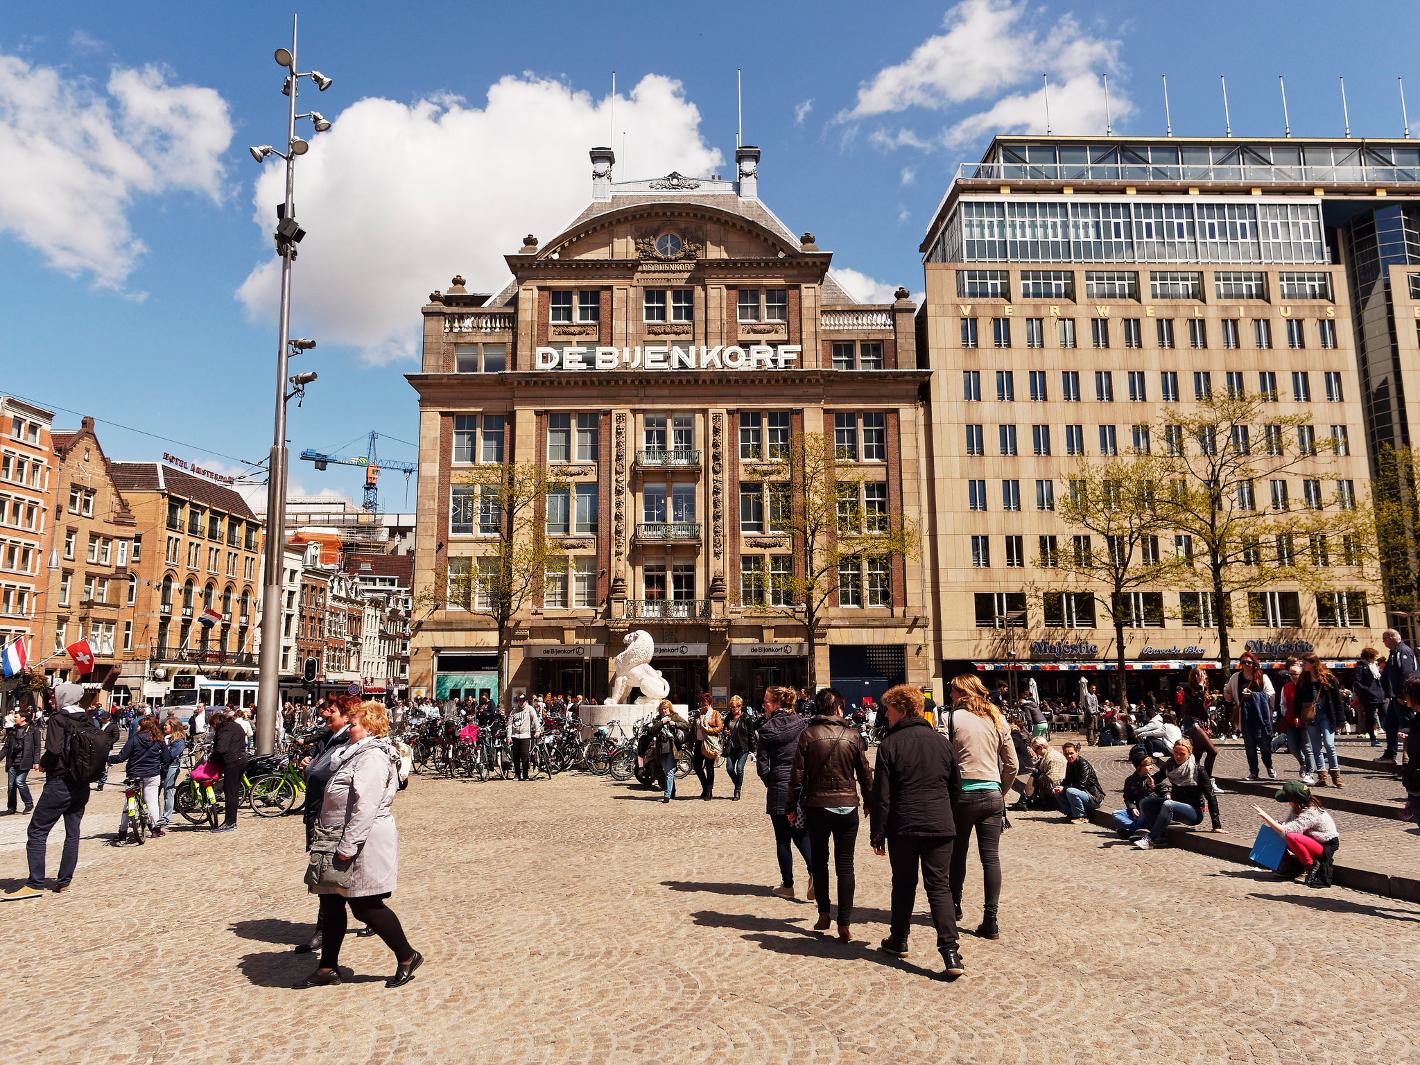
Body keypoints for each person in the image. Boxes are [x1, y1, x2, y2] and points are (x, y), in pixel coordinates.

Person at [297, 700, 424, 988]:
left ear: (368, 727)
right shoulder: (352, 754)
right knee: (330, 902)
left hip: (360, 838)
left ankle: (406, 955)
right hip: (336, 834)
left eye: (353, 724)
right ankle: (327, 967)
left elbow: (365, 806)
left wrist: (348, 846)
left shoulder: (372, 758)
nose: (349, 728)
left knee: (365, 904)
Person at [869, 684, 964, 980]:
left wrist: (878, 834)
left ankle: (899, 939)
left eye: (888, 708)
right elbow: (955, 787)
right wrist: (947, 818)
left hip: (905, 825)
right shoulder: (942, 743)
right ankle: (950, 950)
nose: (886, 713)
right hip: (939, 824)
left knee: (904, 884)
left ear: (900, 709)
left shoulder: (889, 745)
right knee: (939, 887)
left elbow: (881, 796)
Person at [4, 666, 121, 901]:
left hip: (60, 782)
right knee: (72, 833)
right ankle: (64, 880)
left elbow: (54, 749)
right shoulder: (87, 719)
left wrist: (43, 763)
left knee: (37, 830)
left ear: (61, 698)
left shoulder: (59, 719)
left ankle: (35, 882)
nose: (52, 699)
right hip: (81, 784)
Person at [786, 687, 872, 942]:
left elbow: (796, 776)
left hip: (817, 807)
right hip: (847, 806)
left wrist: (791, 807)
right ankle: (844, 923)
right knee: (845, 865)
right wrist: (869, 801)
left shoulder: (808, 735)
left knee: (820, 862)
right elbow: (866, 773)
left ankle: (824, 914)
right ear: (838, 708)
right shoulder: (853, 735)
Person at [943, 674, 1016, 941]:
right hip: (992, 794)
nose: (949, 695)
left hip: (962, 795)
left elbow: (944, 759)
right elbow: (1012, 765)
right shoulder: (997, 718)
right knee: (991, 858)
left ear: (961, 692)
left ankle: (954, 906)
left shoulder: (951, 718)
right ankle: (991, 918)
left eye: (951, 691)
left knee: (957, 853)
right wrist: (1000, 788)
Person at [756, 684, 813, 901]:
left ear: (777, 703)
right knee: (801, 832)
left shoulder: (767, 729)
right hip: (800, 784)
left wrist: (772, 780)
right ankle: (813, 872)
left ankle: (787, 884)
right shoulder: (802, 724)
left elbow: (762, 764)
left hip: (779, 786)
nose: (764, 705)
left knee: (782, 838)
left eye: (766, 701)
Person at [1254, 780, 1340, 888]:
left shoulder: (1311, 812)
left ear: (1296, 800)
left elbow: (1287, 831)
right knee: (1272, 830)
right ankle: (1287, 867)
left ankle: (1310, 867)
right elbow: (1287, 825)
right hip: (1310, 840)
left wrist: (1265, 816)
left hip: (1325, 845)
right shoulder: (1296, 807)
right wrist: (1274, 824)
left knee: (1291, 836)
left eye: (1289, 800)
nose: (1288, 803)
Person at [107, 715, 166, 843]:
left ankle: (122, 832)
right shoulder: (159, 740)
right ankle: (156, 829)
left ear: (143, 726)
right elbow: (166, 758)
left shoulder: (134, 739)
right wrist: (161, 768)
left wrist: (108, 759)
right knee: (152, 802)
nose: (136, 727)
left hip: (134, 774)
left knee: (128, 804)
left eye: (139, 725)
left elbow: (121, 757)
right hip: (152, 774)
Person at [1295, 654, 1345, 788]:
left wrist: (1341, 720)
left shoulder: (1328, 678)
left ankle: (1336, 774)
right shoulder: (1303, 679)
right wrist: (1296, 715)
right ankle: (1322, 776)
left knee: (1329, 744)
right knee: (1316, 747)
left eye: (1304, 662)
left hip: (1326, 715)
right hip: (1311, 716)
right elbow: (1297, 699)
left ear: (1312, 663)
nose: (1302, 665)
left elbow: (1337, 700)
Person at [1225, 652, 1275, 780]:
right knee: (1250, 746)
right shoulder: (1236, 677)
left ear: (1254, 663)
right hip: (1245, 715)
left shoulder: (1262, 677)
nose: (1246, 664)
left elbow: (1270, 694)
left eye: (1249, 662)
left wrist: (1253, 695)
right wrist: (1228, 696)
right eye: (1243, 662)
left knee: (1264, 745)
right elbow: (1228, 691)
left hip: (1260, 716)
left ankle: (1269, 766)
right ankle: (1253, 772)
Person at [1377, 628, 1417, 763]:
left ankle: (1409, 758)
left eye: (1384, 638)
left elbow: (1407, 674)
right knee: (1390, 725)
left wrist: (1404, 694)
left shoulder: (1402, 651)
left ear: (1392, 637)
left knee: (1407, 726)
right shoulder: (1394, 653)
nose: (1383, 642)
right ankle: (1390, 754)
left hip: (1402, 697)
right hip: (1395, 696)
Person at [1277, 658, 1317, 785]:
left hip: (1305, 721)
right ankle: (1303, 763)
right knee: (1293, 747)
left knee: (1307, 747)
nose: (1292, 676)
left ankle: (1310, 772)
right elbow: (1283, 703)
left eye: (1295, 674)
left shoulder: (1307, 686)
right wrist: (1285, 715)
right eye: (1290, 674)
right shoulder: (1286, 687)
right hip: (1290, 721)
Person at [208, 710, 249, 832]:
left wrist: (212, 758)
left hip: (233, 761)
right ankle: (231, 821)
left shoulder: (225, 729)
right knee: (233, 792)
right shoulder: (235, 726)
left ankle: (230, 822)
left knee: (230, 793)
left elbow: (221, 748)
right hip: (241, 760)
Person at [1177, 667, 1220, 779]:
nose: (1203, 677)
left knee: (1197, 754)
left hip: (1201, 724)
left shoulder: (1204, 690)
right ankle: (1208, 780)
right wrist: (1201, 686)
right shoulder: (1187, 690)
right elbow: (1198, 705)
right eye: (1200, 675)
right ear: (1194, 677)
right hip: (1193, 725)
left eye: (1204, 675)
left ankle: (1191, 780)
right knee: (1212, 751)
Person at [1054, 741, 1105, 823]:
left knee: (1070, 791)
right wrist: (1060, 787)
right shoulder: (1070, 764)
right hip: (1082, 793)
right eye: (1066, 754)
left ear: (1077, 752)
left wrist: (1064, 788)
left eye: (1071, 753)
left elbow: (1081, 785)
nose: (1069, 756)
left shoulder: (1083, 764)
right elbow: (1067, 780)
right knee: (1057, 791)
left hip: (1093, 797)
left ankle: (1081, 816)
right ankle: (1070, 814)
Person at [648, 700, 687, 803]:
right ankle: (672, 791)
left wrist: (675, 723)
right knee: (666, 771)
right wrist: (662, 722)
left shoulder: (674, 716)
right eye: (662, 709)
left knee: (669, 771)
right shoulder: (658, 719)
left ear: (669, 708)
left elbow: (687, 725)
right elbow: (652, 731)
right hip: (661, 749)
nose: (664, 711)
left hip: (673, 748)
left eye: (665, 709)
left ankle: (667, 796)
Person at [4, 703, 39, 815]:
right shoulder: (12, 731)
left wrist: (36, 761)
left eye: (16, 717)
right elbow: (6, 748)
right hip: (12, 761)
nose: (14, 718)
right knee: (11, 785)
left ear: (23, 718)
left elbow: (37, 747)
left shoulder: (33, 730)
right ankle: (11, 808)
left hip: (25, 760)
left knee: (19, 781)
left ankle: (28, 803)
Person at [690, 693, 724, 801]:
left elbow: (720, 727)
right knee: (697, 766)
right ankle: (705, 786)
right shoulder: (698, 714)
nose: (703, 706)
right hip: (699, 743)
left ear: (709, 704)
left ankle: (709, 791)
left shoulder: (715, 714)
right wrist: (691, 742)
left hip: (709, 743)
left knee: (709, 768)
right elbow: (693, 729)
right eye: (702, 704)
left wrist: (709, 729)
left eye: (705, 704)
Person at [721, 695, 755, 801]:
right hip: (731, 747)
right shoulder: (728, 716)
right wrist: (725, 732)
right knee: (729, 769)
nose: (733, 709)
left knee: (739, 769)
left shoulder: (746, 718)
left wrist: (753, 750)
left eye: (735, 707)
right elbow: (725, 728)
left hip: (743, 747)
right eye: (731, 707)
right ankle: (738, 783)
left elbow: (751, 734)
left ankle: (737, 790)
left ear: (740, 706)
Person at [1352, 647, 1386, 748]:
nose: (1376, 658)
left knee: (1385, 714)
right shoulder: (1360, 667)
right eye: (1374, 656)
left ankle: (1391, 736)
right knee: (1370, 718)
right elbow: (1356, 682)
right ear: (1370, 656)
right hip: (1369, 696)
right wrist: (1367, 690)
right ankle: (1373, 738)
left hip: (1380, 695)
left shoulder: (1374, 666)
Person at [157, 719, 187, 829]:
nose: (164, 727)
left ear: (173, 726)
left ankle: (165, 817)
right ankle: (155, 815)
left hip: (171, 767)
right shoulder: (162, 737)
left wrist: (159, 754)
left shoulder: (179, 740)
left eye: (166, 725)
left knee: (168, 791)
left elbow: (171, 756)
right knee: (155, 792)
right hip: (158, 767)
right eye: (164, 725)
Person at [507, 693, 542, 781]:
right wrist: (509, 737)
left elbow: (535, 720)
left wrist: (538, 730)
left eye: (522, 701)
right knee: (516, 756)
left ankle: (525, 775)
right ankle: (517, 774)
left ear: (526, 701)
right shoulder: (514, 710)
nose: (521, 702)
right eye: (519, 701)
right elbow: (510, 724)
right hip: (515, 736)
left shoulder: (530, 709)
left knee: (525, 756)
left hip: (525, 736)